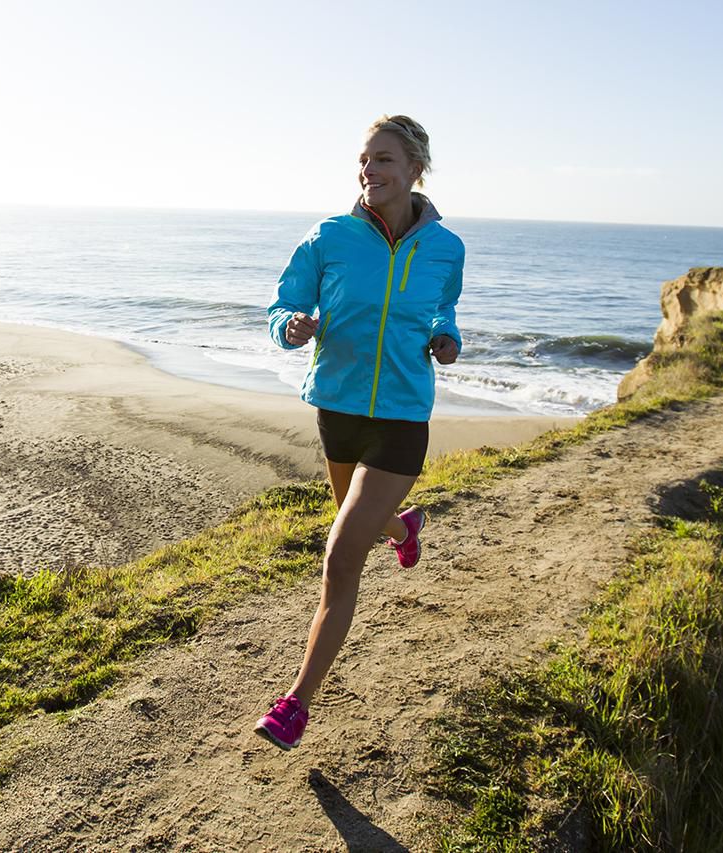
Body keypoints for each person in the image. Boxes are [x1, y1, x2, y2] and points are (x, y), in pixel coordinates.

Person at [254, 115, 464, 751]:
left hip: (402, 416)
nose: (370, 171)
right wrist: (290, 324)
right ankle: (405, 528)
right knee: (363, 523)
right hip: (338, 408)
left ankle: (296, 703)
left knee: (342, 553)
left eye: (384, 160)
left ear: (414, 171)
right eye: (365, 160)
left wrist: (445, 337)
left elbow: (443, 307)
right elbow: (283, 302)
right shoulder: (330, 237)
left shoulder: (447, 247)